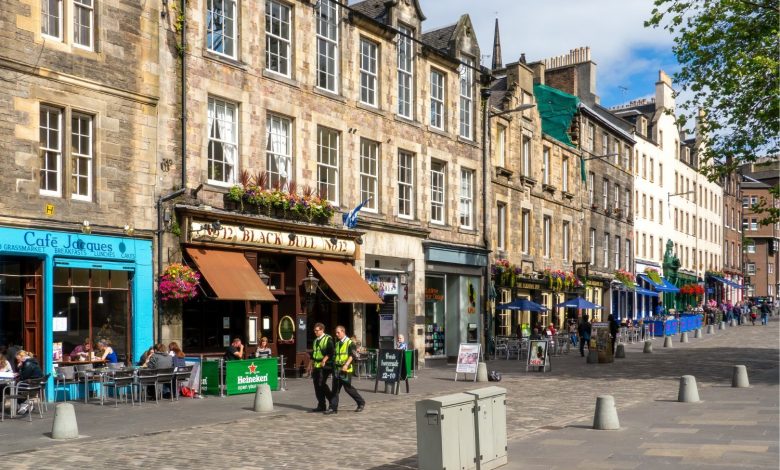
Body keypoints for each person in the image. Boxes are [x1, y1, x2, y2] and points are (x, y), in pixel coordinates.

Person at [326, 325, 365, 415]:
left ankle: (361, 402)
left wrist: (346, 364)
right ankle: (333, 408)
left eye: (338, 332)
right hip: (337, 369)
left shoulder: (350, 343)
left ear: (343, 332)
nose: (336, 334)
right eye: (336, 332)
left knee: (348, 388)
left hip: (346, 369)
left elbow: (353, 355)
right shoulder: (337, 343)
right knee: (335, 389)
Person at [309, 322, 334, 413]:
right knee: (317, 385)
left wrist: (324, 360)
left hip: (325, 366)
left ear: (322, 330)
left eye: (317, 330)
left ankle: (332, 401)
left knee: (321, 383)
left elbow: (331, 352)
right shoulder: (315, 340)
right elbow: (313, 354)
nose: (315, 332)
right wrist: (309, 365)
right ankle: (321, 405)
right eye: (314, 330)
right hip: (316, 365)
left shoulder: (328, 339)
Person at [14, 350, 43, 416]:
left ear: (22, 357)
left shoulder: (28, 363)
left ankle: (24, 403)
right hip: (35, 385)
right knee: (16, 385)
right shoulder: (32, 361)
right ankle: (25, 404)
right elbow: (26, 374)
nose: (17, 361)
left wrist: (19, 368)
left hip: (30, 386)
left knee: (14, 387)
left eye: (18, 359)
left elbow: (23, 377)